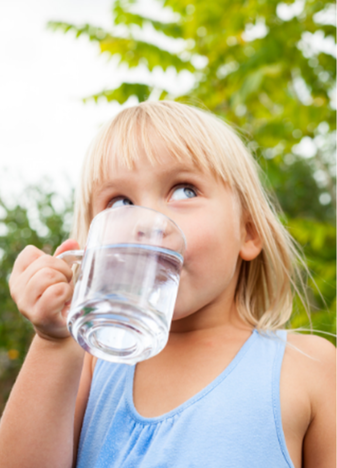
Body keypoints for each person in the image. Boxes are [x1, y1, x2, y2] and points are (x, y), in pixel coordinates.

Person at [0, 101, 335, 468]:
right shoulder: (92, 364)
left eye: (184, 191)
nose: (149, 221)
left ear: (248, 233)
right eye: (120, 202)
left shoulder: (310, 368)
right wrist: (52, 342)